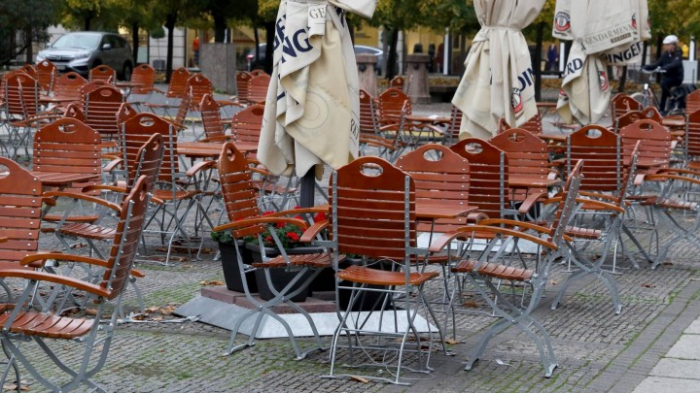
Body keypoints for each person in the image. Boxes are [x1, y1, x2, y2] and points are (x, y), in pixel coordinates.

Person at [643, 35, 684, 114]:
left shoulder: (678, 53)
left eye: (668, 45)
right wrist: (646, 67)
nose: (666, 47)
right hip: (668, 76)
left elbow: (675, 64)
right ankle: (662, 110)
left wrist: (665, 67)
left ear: (673, 45)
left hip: (677, 77)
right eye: (666, 45)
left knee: (663, 83)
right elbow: (657, 64)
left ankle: (672, 98)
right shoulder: (665, 54)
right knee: (664, 90)